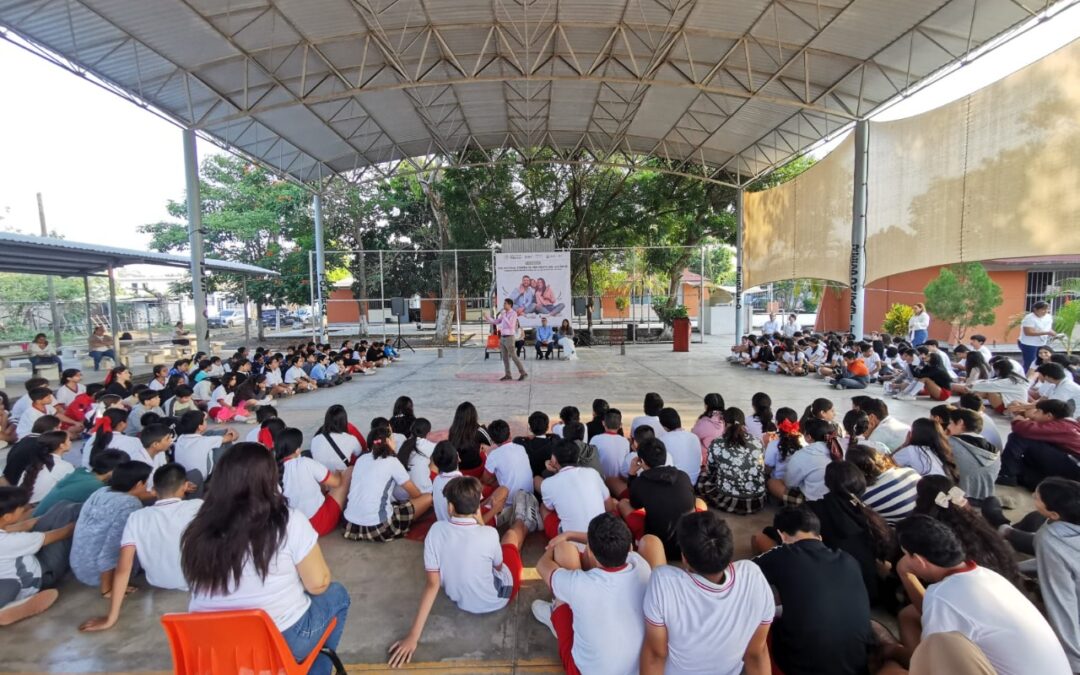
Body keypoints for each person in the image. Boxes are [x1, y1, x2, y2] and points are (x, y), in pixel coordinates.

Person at [181, 442, 349, 675]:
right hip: (277, 640)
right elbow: (318, 584)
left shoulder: (198, 526)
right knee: (337, 594)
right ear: (270, 478)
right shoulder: (287, 521)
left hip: (210, 646)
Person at [890, 515, 1070, 674]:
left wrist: (893, 651)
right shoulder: (985, 574)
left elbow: (934, 653)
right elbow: (930, 612)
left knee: (889, 669)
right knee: (909, 614)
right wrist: (906, 575)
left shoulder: (943, 597)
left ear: (920, 561)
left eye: (907, 555)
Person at [386, 476, 528, 667]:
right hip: (499, 596)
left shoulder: (436, 531)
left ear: (451, 508)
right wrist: (481, 524)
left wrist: (413, 637)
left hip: (461, 600)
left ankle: (516, 519)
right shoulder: (489, 534)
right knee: (511, 536)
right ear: (477, 506)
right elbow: (498, 567)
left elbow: (432, 585)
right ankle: (524, 519)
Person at [640, 511, 773, 675]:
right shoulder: (753, 576)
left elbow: (656, 654)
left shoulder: (663, 581)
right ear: (729, 551)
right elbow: (756, 653)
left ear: (685, 558)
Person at [532, 514, 666, 675]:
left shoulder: (578, 584)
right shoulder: (640, 565)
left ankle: (557, 613)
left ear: (590, 552)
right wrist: (570, 534)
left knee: (563, 552)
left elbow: (542, 565)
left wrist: (554, 546)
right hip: (645, 668)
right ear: (629, 548)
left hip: (582, 671)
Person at [79, 463, 201, 632]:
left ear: (154, 490)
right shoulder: (197, 506)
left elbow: (124, 567)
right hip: (198, 579)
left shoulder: (136, 517)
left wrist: (111, 617)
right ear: (186, 486)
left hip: (159, 580)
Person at [753, 507, 873, 675]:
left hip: (798, 666)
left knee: (760, 621)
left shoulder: (783, 555)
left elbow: (744, 575)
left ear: (781, 535)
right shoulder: (849, 560)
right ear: (819, 536)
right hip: (856, 667)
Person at [814, 462, 897, 605]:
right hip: (873, 591)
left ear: (827, 483)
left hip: (842, 594)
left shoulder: (816, 509)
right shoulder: (870, 514)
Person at [69, 461, 152, 596]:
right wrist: (108, 589)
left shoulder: (101, 491)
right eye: (146, 483)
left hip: (79, 565)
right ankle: (109, 585)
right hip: (97, 575)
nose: (147, 486)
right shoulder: (130, 505)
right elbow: (111, 550)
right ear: (138, 484)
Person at [0, 486, 79, 626]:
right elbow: (62, 533)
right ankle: (21, 601)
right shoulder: (11, 542)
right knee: (68, 512)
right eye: (21, 508)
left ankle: (9, 605)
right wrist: (80, 523)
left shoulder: (6, 533)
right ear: (7, 517)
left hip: (24, 561)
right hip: (42, 574)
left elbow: (24, 525)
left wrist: (49, 516)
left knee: (61, 505)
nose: (25, 509)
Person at [343, 427, 433, 542]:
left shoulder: (361, 459)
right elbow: (415, 493)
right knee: (427, 498)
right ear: (389, 442)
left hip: (351, 525)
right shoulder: (392, 461)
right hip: (378, 527)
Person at [617, 438, 700, 558]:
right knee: (699, 502)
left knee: (624, 503)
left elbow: (635, 504)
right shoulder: (683, 476)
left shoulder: (641, 482)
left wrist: (632, 474)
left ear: (642, 461)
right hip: (688, 547)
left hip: (657, 547)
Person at [1031, 478, 1080, 671]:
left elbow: (1062, 600)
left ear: (1054, 514)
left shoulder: (1050, 540)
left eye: (1037, 497)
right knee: (1031, 521)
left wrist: (1074, 661)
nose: (1033, 497)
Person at [540, 439, 611, 541]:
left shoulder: (547, 483)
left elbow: (550, 508)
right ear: (577, 458)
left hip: (570, 543)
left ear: (554, 460)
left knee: (544, 506)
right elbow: (609, 506)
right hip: (601, 540)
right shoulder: (593, 473)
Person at [698, 408, 766, 514]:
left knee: (702, 477)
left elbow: (711, 470)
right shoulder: (757, 441)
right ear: (744, 423)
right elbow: (760, 468)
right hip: (756, 500)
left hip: (728, 500)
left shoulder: (717, 443)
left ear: (724, 422)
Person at [1000, 399, 1080, 487]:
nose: (1034, 415)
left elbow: (1025, 430)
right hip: (1072, 468)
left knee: (1020, 437)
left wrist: (1018, 421)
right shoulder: (1069, 424)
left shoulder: (1063, 426)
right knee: (1021, 465)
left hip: (1074, 466)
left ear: (1049, 415)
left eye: (1038, 411)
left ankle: (1006, 475)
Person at [32, 449, 127, 517]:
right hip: (45, 526)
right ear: (113, 471)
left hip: (37, 517)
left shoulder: (81, 472)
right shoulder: (96, 487)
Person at [846, 444, 919, 523]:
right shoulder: (910, 472)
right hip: (928, 522)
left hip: (902, 531)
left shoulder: (865, 497)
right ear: (878, 456)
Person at [945, 408, 999, 503]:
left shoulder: (951, 443)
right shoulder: (995, 450)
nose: (948, 427)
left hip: (959, 498)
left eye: (950, 423)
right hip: (986, 499)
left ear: (960, 422)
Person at [784, 418, 842, 502]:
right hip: (838, 501)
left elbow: (789, 483)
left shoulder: (803, 454)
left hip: (815, 504)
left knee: (773, 483)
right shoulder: (839, 448)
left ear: (808, 437)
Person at [173, 410, 237, 484]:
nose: (206, 422)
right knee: (224, 440)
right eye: (205, 420)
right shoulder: (205, 441)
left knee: (210, 434)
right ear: (200, 427)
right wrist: (230, 430)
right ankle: (228, 471)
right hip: (203, 477)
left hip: (185, 476)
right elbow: (233, 437)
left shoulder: (180, 438)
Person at [892, 418, 959, 481]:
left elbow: (888, 464)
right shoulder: (938, 451)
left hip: (928, 490)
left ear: (916, 433)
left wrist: (904, 445)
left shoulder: (912, 450)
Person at [17, 431, 73, 504]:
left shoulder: (34, 464)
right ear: (61, 446)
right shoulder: (64, 466)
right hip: (40, 507)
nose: (71, 442)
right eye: (68, 440)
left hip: (22, 504)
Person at [485, 299, 528, 381]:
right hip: (503, 337)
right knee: (505, 357)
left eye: (505, 304)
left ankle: (523, 373)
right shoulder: (504, 314)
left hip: (509, 337)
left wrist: (504, 316)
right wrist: (488, 318)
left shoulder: (513, 313)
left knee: (513, 356)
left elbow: (511, 326)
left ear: (510, 305)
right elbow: (496, 321)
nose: (503, 305)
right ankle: (508, 375)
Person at [310, 405, 363, 471]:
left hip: (320, 476)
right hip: (341, 477)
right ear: (344, 421)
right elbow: (360, 453)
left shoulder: (315, 439)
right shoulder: (351, 439)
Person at [658, 408, 702, 485]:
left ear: (663, 426)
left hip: (676, 484)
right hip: (694, 480)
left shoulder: (662, 440)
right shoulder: (694, 437)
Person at [447, 401, 492, 477]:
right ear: (474, 415)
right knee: (483, 454)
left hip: (459, 470)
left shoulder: (453, 430)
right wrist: (481, 426)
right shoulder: (478, 430)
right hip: (475, 470)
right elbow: (490, 441)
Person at [592, 409, 631, 492]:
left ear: (603, 423)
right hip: (618, 484)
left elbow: (591, 461)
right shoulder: (625, 441)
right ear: (620, 425)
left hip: (600, 483)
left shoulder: (595, 439)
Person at [1018, 301, 1059, 373]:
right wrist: (1046, 332)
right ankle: (1027, 378)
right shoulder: (1029, 318)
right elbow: (1028, 332)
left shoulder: (1048, 317)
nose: (1045, 311)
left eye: (1047, 309)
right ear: (1035, 309)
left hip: (1042, 343)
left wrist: (1054, 334)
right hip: (1029, 344)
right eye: (1043, 309)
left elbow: (1048, 328)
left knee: (1042, 361)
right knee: (1030, 363)